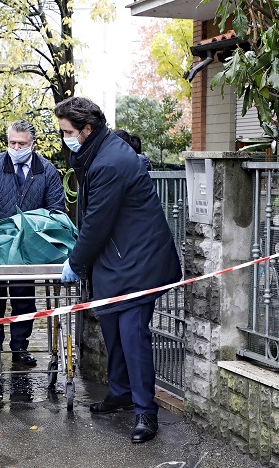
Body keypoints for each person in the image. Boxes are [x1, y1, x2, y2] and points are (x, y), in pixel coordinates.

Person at [55, 97, 182, 443]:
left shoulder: (109, 162)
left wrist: (76, 262)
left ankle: (145, 412)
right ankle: (121, 392)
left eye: (67, 131)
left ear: (87, 129)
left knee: (132, 335)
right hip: (117, 259)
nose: (62, 136)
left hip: (138, 263)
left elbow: (97, 221)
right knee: (112, 327)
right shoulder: (95, 152)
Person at [0, 119, 65, 366]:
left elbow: (55, 211)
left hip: (29, 247)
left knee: (24, 299)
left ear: (32, 143)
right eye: (12, 142)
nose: (16, 147)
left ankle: (19, 348)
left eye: (21, 143)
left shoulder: (47, 171)